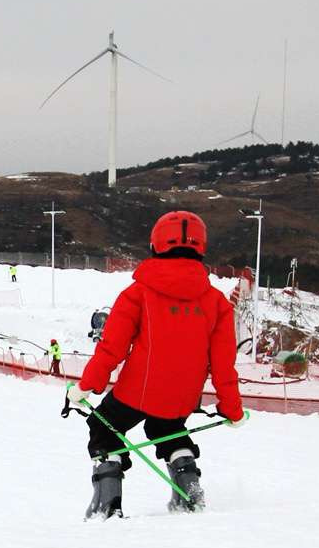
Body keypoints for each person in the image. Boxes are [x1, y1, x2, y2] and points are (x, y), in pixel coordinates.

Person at [77, 210, 244, 518]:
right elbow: (223, 365)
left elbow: (111, 348)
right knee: (166, 427)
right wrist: (232, 409)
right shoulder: (217, 303)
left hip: (135, 392)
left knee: (103, 428)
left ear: (155, 246)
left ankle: (107, 504)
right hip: (182, 397)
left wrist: (87, 386)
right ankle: (188, 490)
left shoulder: (137, 293)